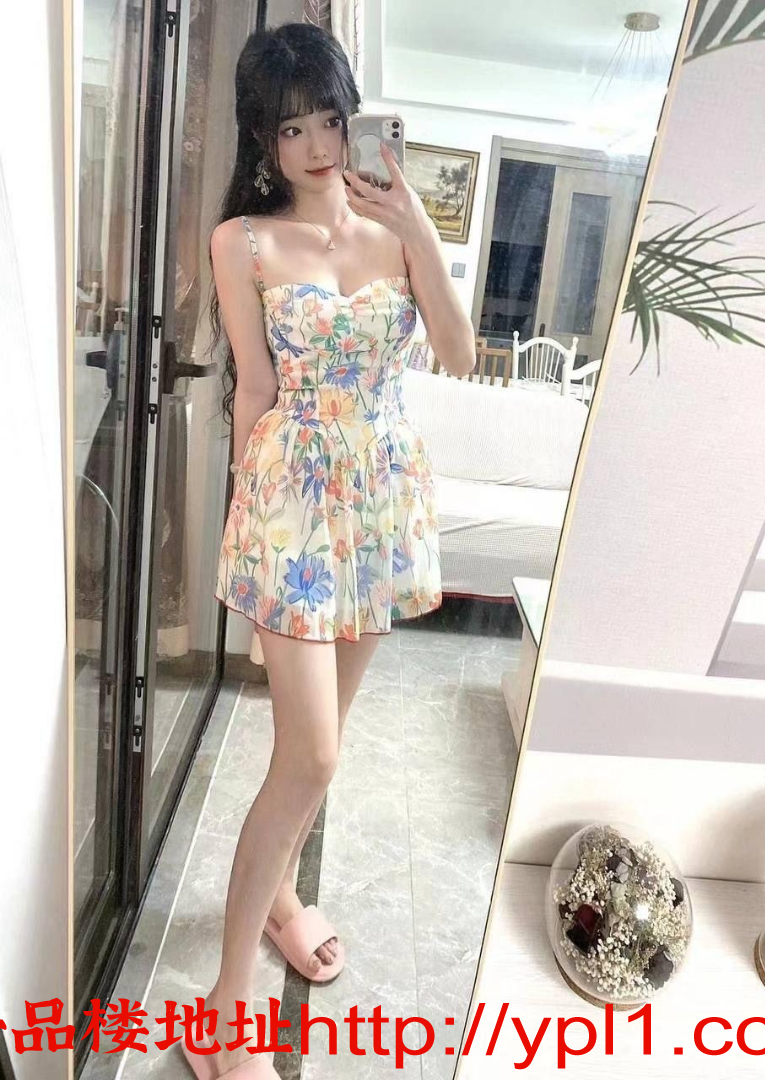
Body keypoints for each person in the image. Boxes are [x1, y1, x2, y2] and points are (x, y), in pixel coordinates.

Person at [187, 21, 476, 1080]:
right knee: (308, 754)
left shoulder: (396, 235)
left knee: (325, 745)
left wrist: (424, 236)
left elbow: (458, 355)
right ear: (263, 138)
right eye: (290, 127)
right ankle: (225, 1014)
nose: (315, 146)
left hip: (379, 504)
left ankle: (280, 898)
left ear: (355, 121)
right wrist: (243, 522)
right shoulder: (243, 242)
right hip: (291, 507)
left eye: (328, 120)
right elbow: (256, 391)